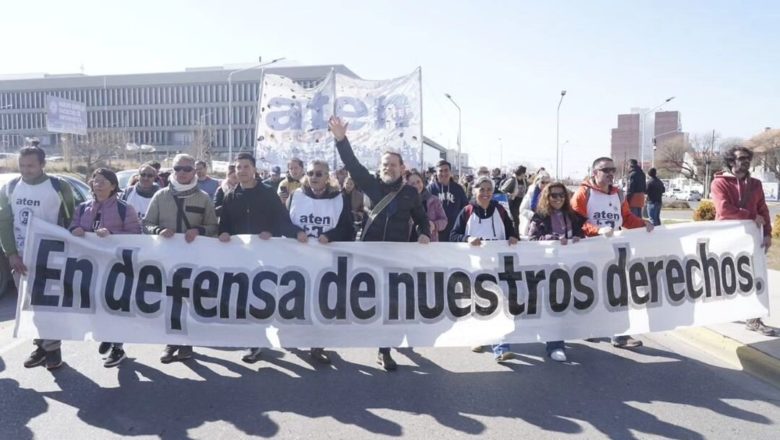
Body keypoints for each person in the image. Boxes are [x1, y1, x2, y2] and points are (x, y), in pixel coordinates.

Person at [330, 115, 431, 371]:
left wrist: (424, 233)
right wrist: (341, 139)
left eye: (393, 164)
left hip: (396, 258)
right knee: (357, 299)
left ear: (402, 167)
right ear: (380, 167)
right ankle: (325, 341)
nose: (389, 168)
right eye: (385, 164)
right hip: (368, 255)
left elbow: (421, 219)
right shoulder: (371, 185)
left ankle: (384, 350)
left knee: (390, 304)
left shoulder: (410, 193)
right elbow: (351, 163)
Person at [218, 152, 307, 364]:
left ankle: (281, 333)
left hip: (267, 256)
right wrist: (222, 234)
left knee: (266, 298)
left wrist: (290, 233)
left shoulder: (267, 193)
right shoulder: (230, 196)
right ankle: (255, 342)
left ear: (254, 169)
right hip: (242, 258)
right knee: (247, 301)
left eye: (245, 167)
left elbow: (282, 220)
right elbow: (225, 226)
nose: (241, 171)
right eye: (238, 167)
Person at [0, 146, 76, 370]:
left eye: (31, 165)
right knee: (29, 306)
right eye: (22, 165)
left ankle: (53, 350)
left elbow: (70, 218)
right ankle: (41, 346)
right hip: (22, 258)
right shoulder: (10, 187)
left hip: (51, 255)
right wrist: (11, 253)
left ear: (42, 164)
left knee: (48, 305)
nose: (26, 170)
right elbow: (4, 222)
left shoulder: (59, 186)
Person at [571, 156, 654, 348]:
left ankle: (620, 335)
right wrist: (597, 230)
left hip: (615, 251)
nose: (610, 174)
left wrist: (643, 224)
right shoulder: (584, 193)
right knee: (591, 294)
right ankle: (588, 328)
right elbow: (575, 222)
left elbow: (625, 218)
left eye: (612, 170)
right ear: (594, 172)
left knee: (618, 291)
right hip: (590, 251)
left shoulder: (618, 195)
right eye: (605, 170)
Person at [144, 153, 219, 363]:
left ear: (194, 171)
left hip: (194, 259)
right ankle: (171, 343)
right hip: (166, 259)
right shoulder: (160, 196)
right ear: (172, 170)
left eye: (187, 169)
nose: (182, 173)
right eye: (178, 169)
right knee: (169, 301)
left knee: (190, 300)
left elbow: (213, 226)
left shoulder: (204, 198)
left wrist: (199, 230)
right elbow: (147, 223)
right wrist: (157, 230)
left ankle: (187, 343)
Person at [70, 169, 141, 367]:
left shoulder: (124, 209)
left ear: (113, 186)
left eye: (103, 181)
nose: (98, 184)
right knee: (95, 304)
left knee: (115, 305)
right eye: (95, 180)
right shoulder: (83, 207)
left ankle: (117, 347)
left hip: (116, 266)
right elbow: (71, 227)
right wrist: (74, 230)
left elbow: (136, 234)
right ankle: (107, 335)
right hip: (89, 266)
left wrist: (112, 234)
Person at [286, 159, 355, 363]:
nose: (314, 177)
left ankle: (317, 345)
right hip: (299, 260)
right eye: (311, 173)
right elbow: (282, 223)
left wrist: (331, 235)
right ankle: (296, 337)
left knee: (322, 303)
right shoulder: (295, 196)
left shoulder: (339, 199)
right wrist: (295, 232)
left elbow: (349, 230)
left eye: (319, 173)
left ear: (327, 177)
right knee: (298, 301)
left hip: (326, 262)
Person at [450, 176, 518, 361]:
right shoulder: (467, 211)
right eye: (482, 189)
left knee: (500, 306)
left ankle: (501, 348)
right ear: (474, 191)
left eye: (489, 189)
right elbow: (453, 235)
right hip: (475, 267)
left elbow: (512, 231)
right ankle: (477, 337)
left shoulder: (501, 211)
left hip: (498, 266)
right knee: (478, 304)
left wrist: (513, 237)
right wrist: (467, 239)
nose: (486, 193)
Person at [711, 146, 775, 336]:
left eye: (748, 158)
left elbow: (763, 209)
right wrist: (750, 215)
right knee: (728, 278)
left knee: (753, 277)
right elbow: (723, 209)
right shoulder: (719, 183)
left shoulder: (755, 185)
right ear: (732, 161)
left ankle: (753, 318)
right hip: (727, 238)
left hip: (751, 239)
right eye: (741, 158)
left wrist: (768, 233)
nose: (746, 161)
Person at [528, 182, 587, 362]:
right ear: (547, 197)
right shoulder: (539, 217)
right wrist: (552, 239)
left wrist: (579, 238)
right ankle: (555, 345)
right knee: (553, 305)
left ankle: (556, 338)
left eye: (561, 195)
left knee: (563, 306)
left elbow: (582, 234)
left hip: (569, 267)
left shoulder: (573, 216)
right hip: (547, 267)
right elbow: (532, 239)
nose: (558, 199)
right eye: (554, 195)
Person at [427, 160, 469, 242]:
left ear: (450, 172)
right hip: (436, 232)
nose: (443, 173)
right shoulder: (430, 189)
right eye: (440, 171)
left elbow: (465, 208)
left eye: (446, 170)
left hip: (454, 231)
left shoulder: (458, 188)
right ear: (436, 172)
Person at [406, 170, 447, 241]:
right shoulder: (404, 201)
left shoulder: (434, 200)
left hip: (429, 242)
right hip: (408, 242)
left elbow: (444, 220)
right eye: (412, 184)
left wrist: (434, 225)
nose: (416, 186)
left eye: (418, 182)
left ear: (422, 182)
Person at [517, 171, 551, 236]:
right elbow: (522, 209)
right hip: (532, 223)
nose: (545, 185)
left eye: (547, 182)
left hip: (547, 223)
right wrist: (534, 215)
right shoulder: (531, 193)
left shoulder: (552, 194)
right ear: (538, 182)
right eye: (543, 182)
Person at [500, 165, 528, 235]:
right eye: (524, 173)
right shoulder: (512, 180)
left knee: (518, 219)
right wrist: (510, 194)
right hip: (513, 201)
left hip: (520, 201)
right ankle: (515, 234)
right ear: (521, 173)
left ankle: (516, 234)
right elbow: (503, 190)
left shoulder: (523, 180)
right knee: (515, 219)